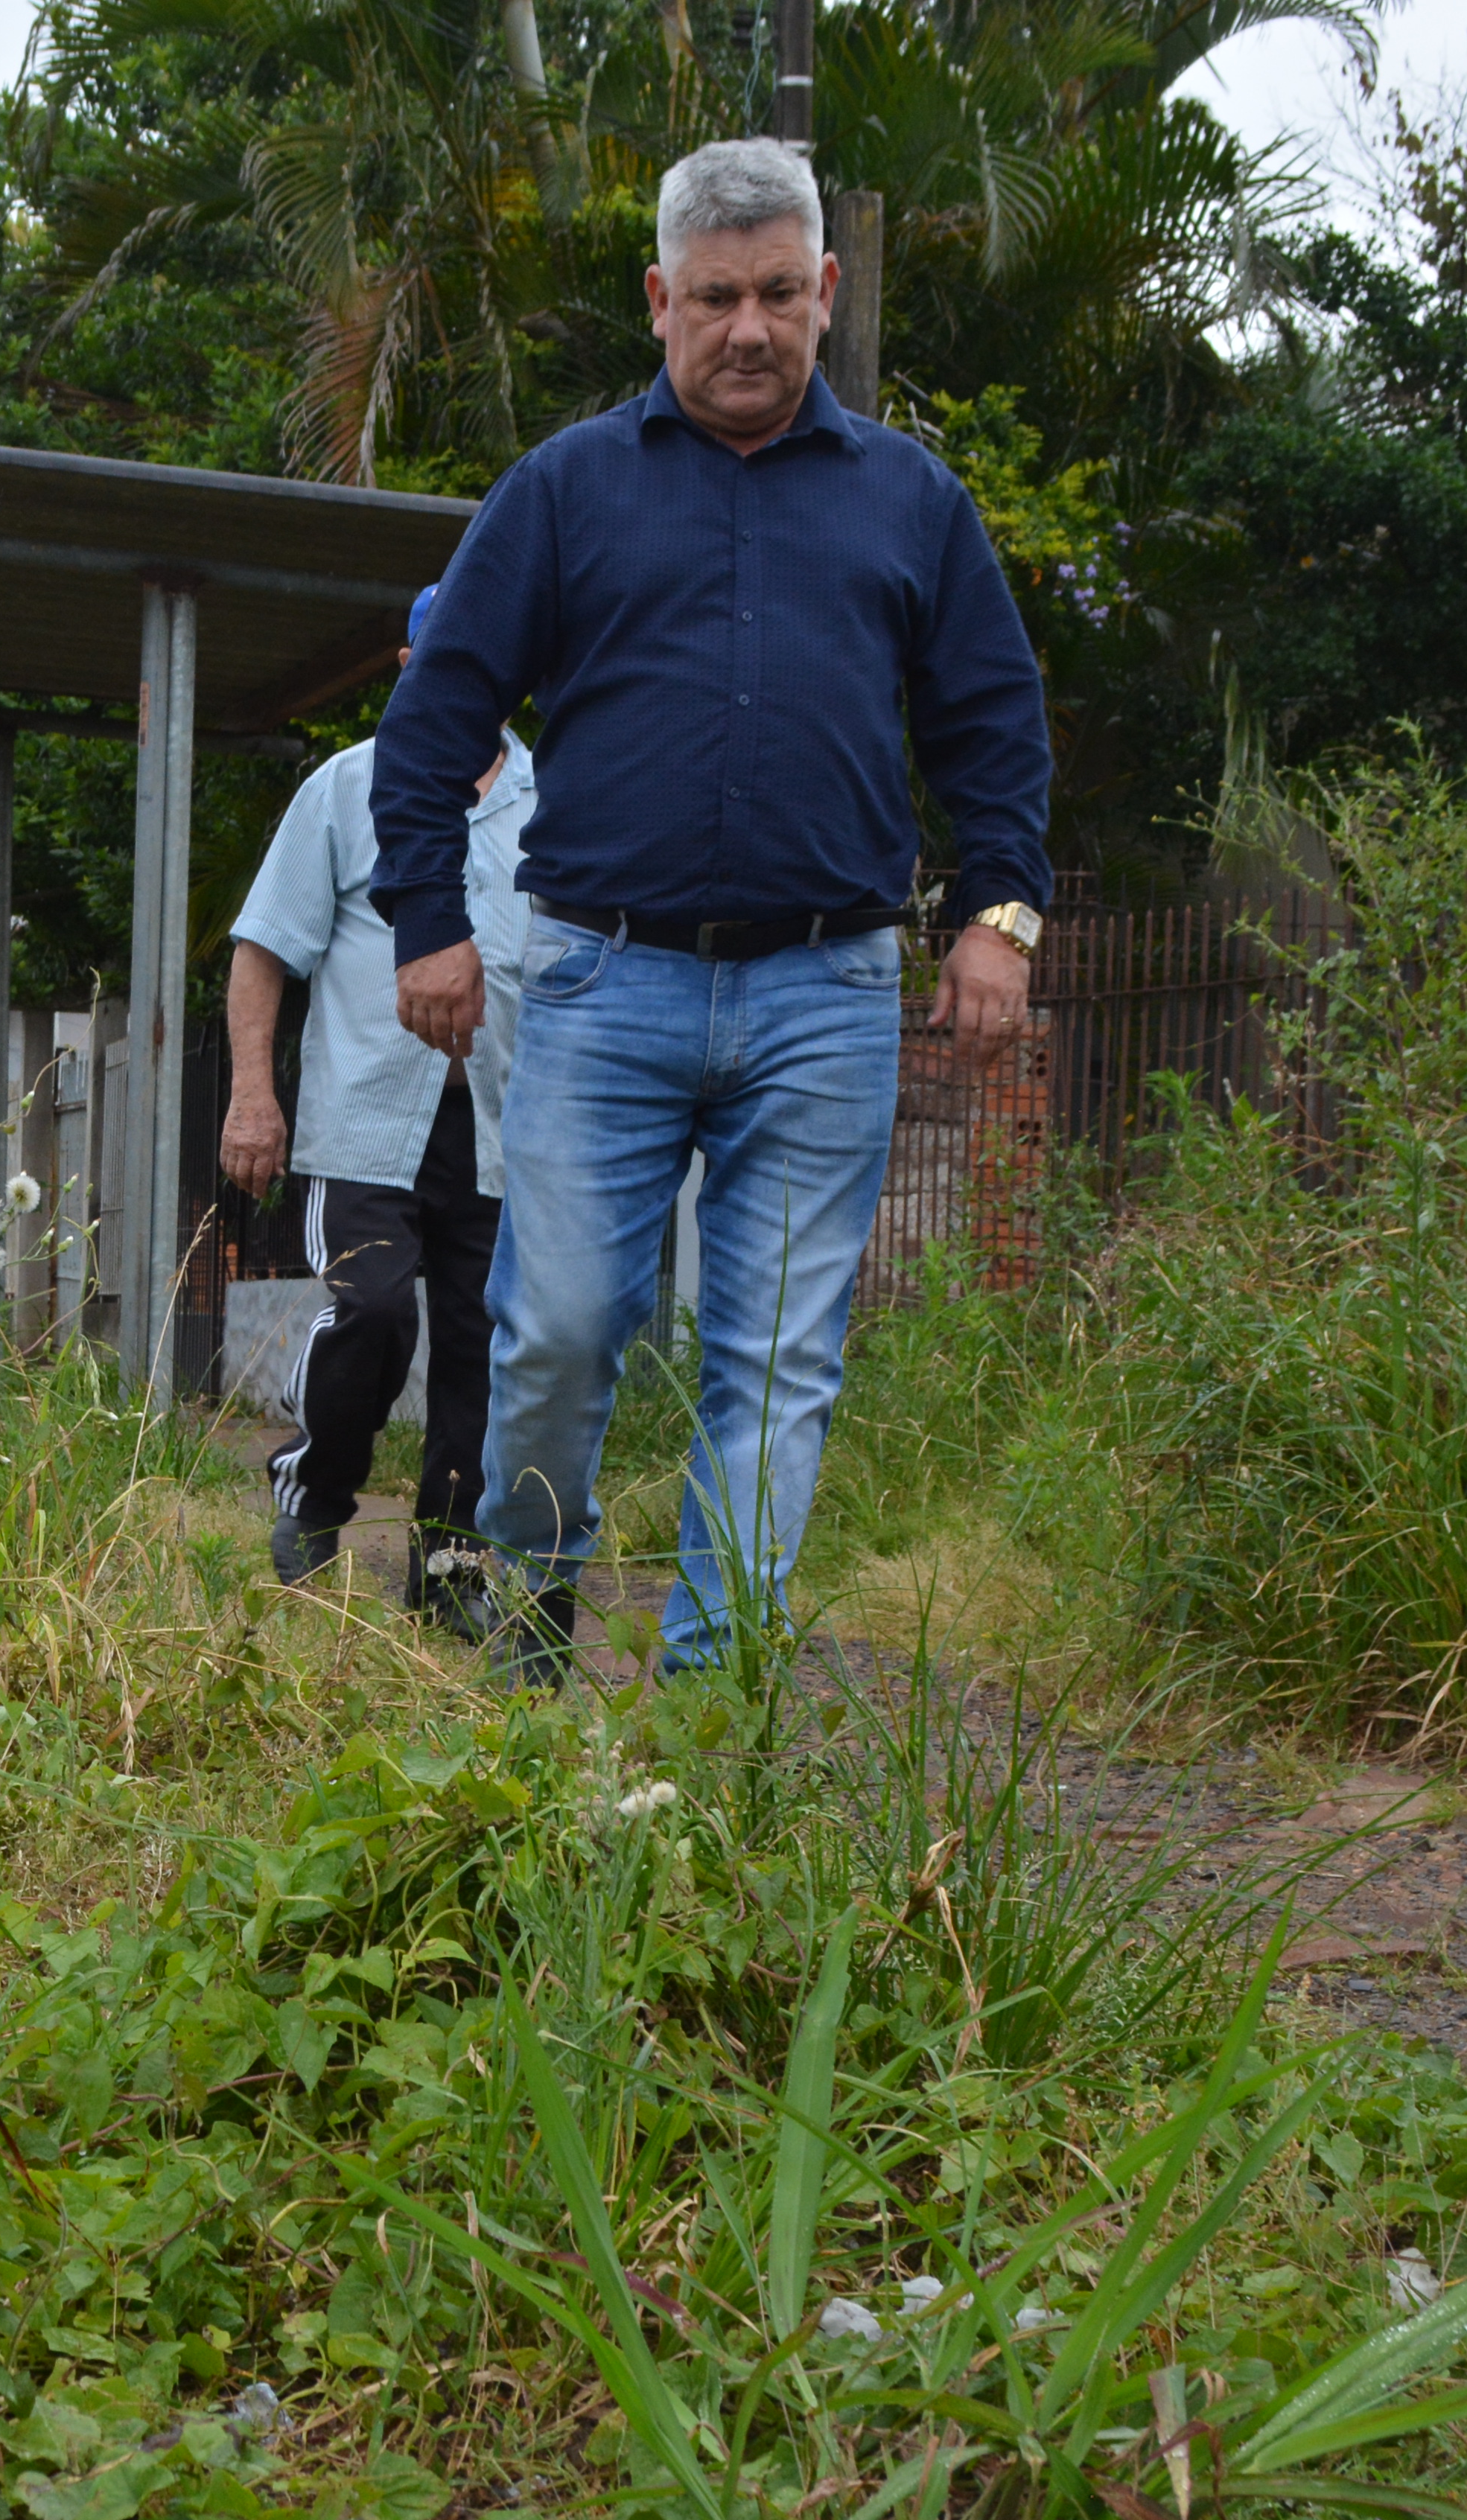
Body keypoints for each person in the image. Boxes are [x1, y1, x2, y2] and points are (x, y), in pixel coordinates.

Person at [370, 135, 1050, 1682]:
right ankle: (526, 1645)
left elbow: (995, 725)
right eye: (717, 297)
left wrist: (999, 915)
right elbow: (434, 721)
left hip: (826, 996)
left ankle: (708, 1705)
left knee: (776, 1360)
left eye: (779, 296)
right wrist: (427, 921)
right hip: (603, 985)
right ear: (659, 299)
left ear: (829, 290)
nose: (750, 329)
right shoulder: (563, 492)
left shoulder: (914, 502)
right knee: (556, 1333)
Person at [220, 588, 535, 1610]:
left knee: (485, 1348)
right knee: (375, 1309)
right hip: (364, 1124)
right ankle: (315, 1491)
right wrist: (253, 1098)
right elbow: (263, 949)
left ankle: (450, 1570)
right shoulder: (346, 786)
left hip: (504, 1130)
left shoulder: (555, 799)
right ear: (409, 664)